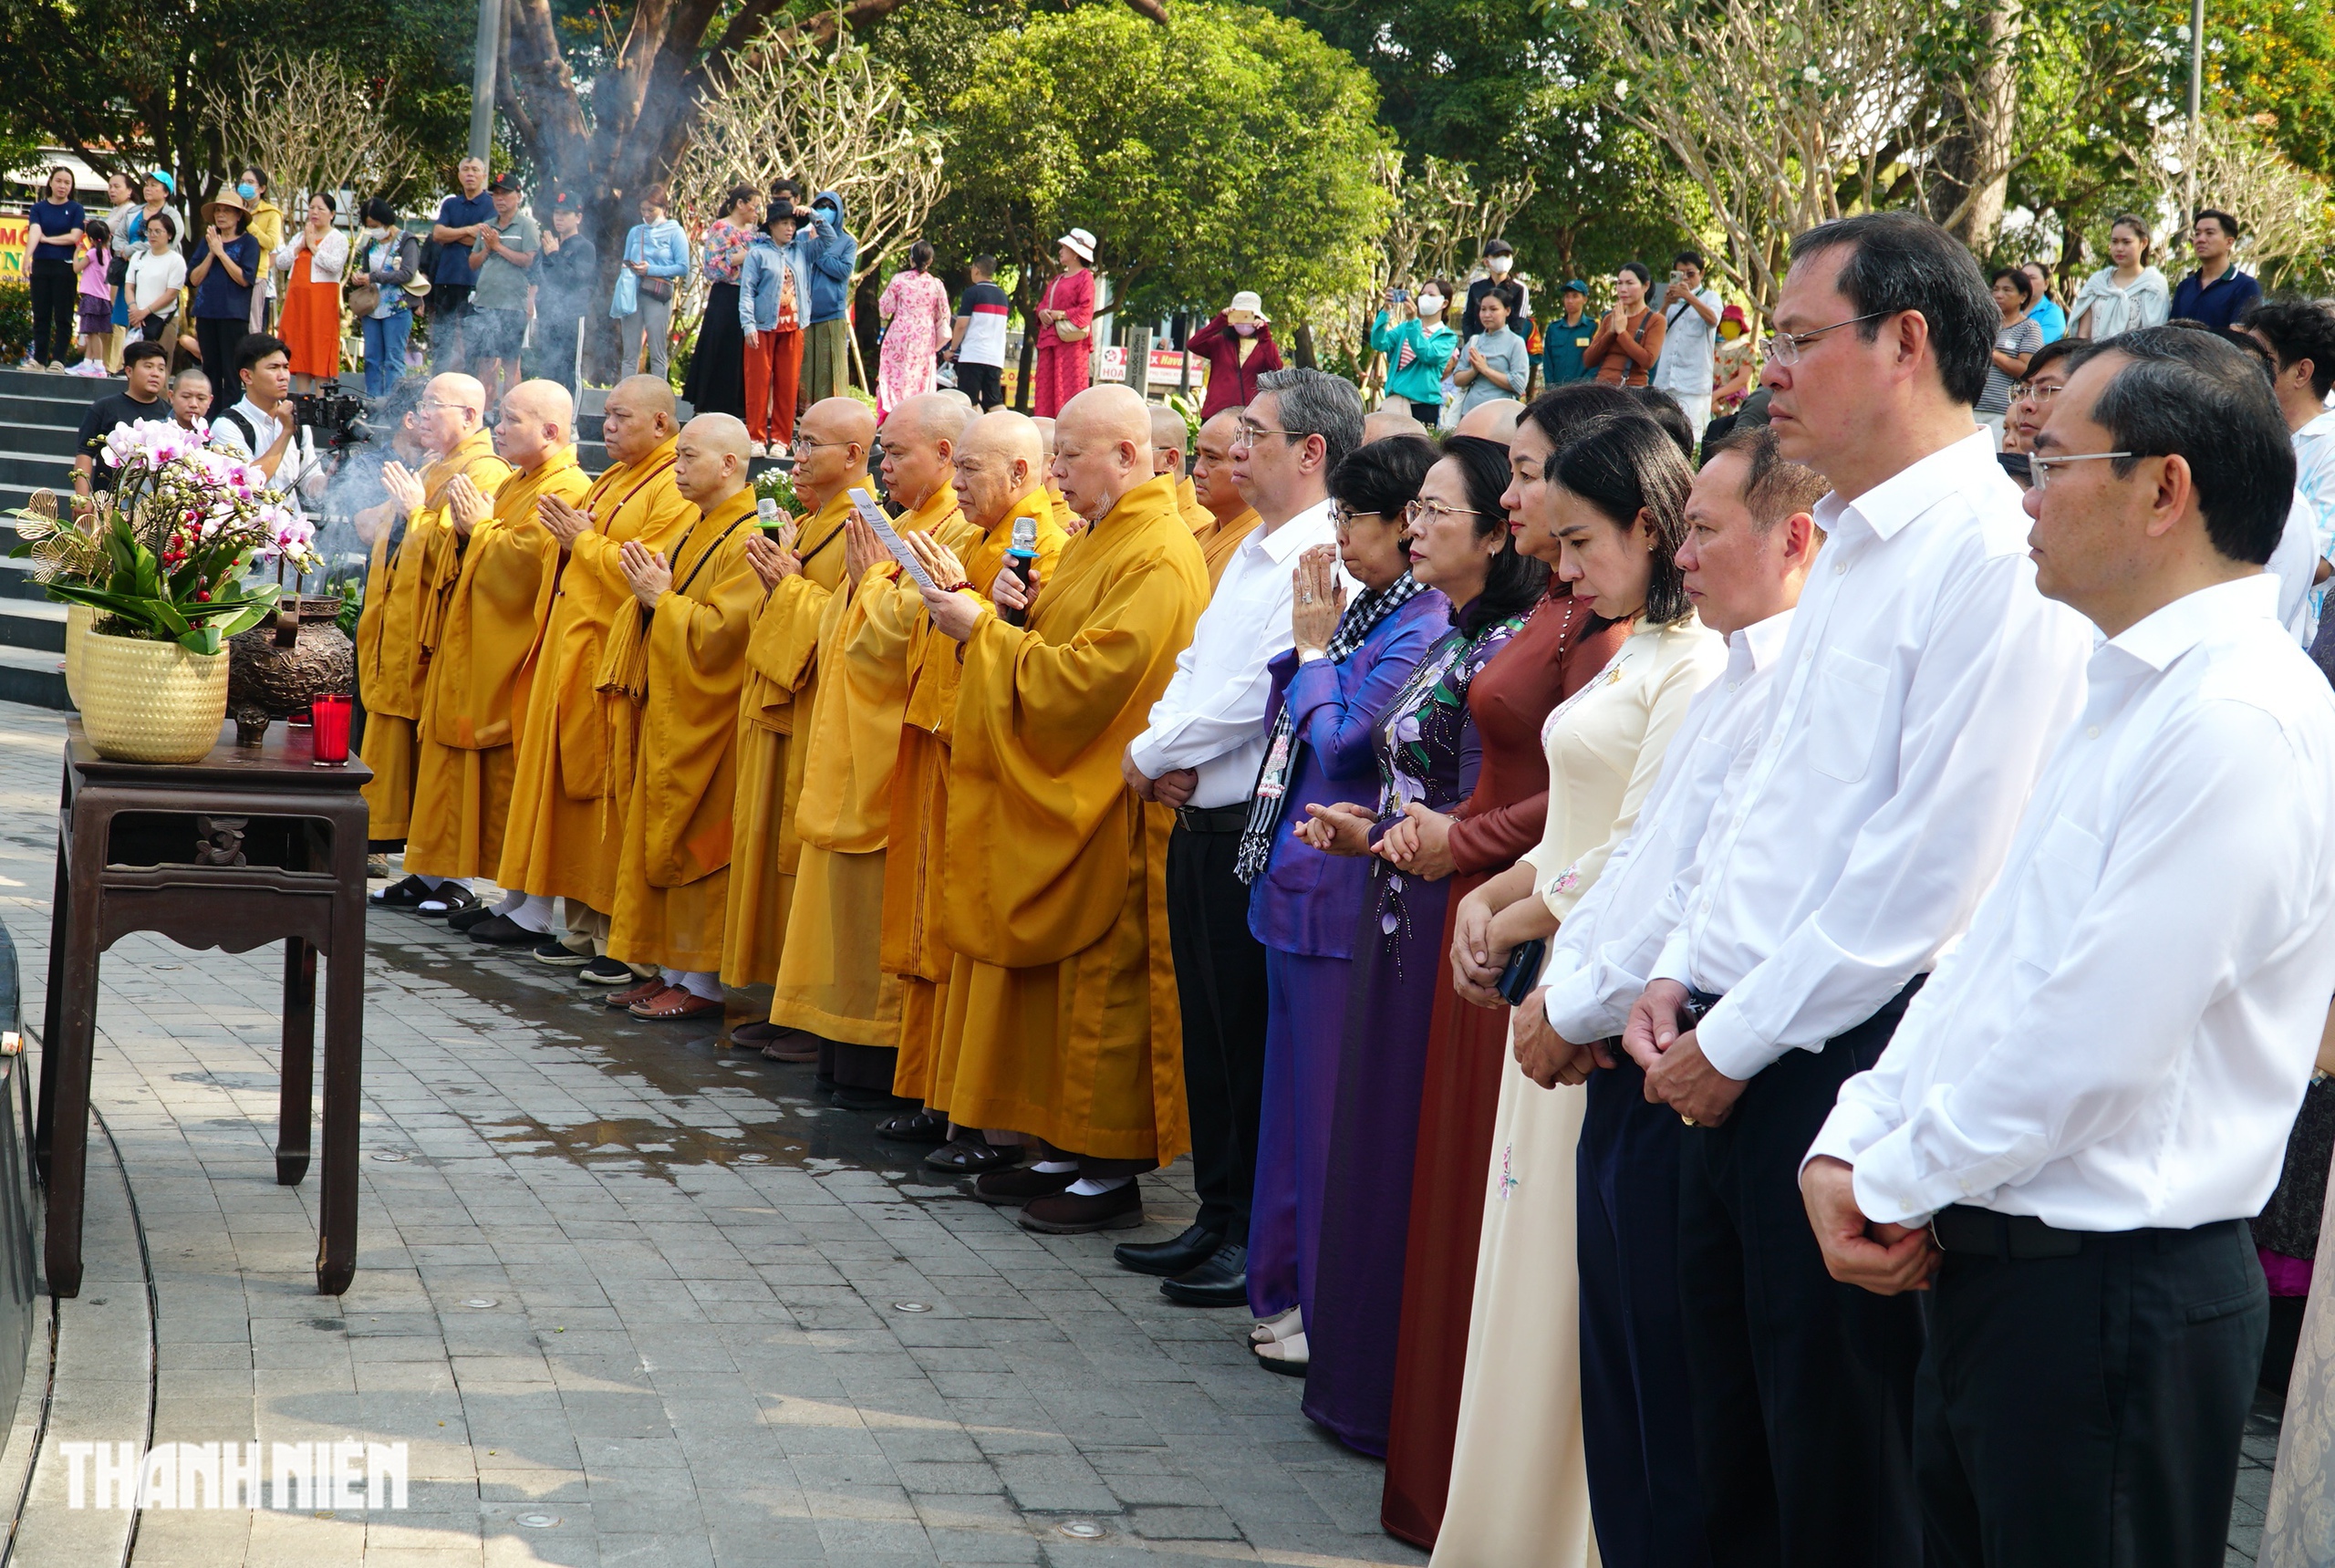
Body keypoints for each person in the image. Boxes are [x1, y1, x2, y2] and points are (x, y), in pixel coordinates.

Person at [1804, 323, 2327, 1568]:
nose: (2024, 496)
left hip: (2111, 1297)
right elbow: (1987, 961)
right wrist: (1856, 1136)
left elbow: (2093, 1043)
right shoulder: (2128, 687)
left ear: (2163, 488)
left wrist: (1890, 1177)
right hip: (2008, 1276)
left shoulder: (2237, 716)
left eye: (2049, 463)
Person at [1623, 211, 2092, 1568]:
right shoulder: (1849, 542)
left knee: (1837, 1479)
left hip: (1841, 1052)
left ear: (1905, 342)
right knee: (1732, 1465)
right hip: (1737, 1032)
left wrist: (1734, 1035)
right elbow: (1769, 803)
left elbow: (1928, 873)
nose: (1766, 367)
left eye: (1797, 337)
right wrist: (1682, 966)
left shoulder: (1988, 556)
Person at [1517, 424, 1826, 1568]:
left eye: (1701, 531)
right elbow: (1647, 863)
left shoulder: (1789, 683)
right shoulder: (1733, 677)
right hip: (1629, 1029)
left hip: (1689, 1057)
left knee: (1690, 1419)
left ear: (1794, 540)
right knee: (1630, 1395)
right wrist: (1566, 991)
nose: (1680, 557)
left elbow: (1709, 891)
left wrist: (1574, 1007)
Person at [1438, 408, 1726, 1566]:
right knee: (1524, 1253)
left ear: (1650, 528)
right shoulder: (1640, 647)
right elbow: (1573, 824)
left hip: (1596, 977)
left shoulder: (1694, 661)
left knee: (1569, 1278)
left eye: (1579, 544)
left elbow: (1639, 848)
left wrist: (1517, 909)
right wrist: (1493, 895)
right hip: (1559, 955)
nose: (1561, 571)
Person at [1302, 425, 1562, 1457]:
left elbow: (1502, 802)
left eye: (1434, 511)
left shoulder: (1515, 645)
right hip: (1398, 896)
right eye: (1410, 512)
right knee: (1376, 1137)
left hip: (1459, 904)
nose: (1413, 528)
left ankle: (1404, 1402)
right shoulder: (1455, 635)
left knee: (1419, 1149)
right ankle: (1364, 1382)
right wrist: (1371, 831)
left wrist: (1430, 837)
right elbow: (1410, 786)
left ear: (1497, 533)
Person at [905, 381, 1209, 1233]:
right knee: (1062, 991)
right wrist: (1015, 611)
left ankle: (1108, 1170)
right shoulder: (1099, 536)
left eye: (1069, 456)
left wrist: (982, 633)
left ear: (1128, 455)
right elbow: (1059, 639)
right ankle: (1060, 1148)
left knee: (1105, 996)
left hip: (1114, 801)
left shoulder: (1158, 551)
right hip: (1074, 794)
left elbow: (1093, 678)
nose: (1056, 473)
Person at [1113, 369, 1357, 1288]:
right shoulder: (1251, 546)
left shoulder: (1321, 556)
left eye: (1256, 433)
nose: (1237, 449)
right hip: (1196, 816)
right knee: (1209, 1034)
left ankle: (1252, 1232)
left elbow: (1259, 691)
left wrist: (1150, 754)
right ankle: (1215, 1212)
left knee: (1248, 1041)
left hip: (1251, 828)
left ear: (1311, 452)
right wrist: (1154, 748)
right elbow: (1192, 667)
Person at [1238, 433, 1449, 1373]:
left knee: (1327, 1125)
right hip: (1296, 881)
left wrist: (1315, 649)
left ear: (1406, 523)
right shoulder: (1367, 610)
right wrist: (1314, 653)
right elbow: (1293, 717)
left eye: (1352, 518)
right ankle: (1279, 1288)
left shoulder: (1423, 621)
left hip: (1343, 888)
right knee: (1285, 1116)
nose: (1341, 539)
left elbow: (1344, 742)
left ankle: (1323, 1312)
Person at [769, 395, 970, 1096]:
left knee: (872, 920)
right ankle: (835, 1043)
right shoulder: (900, 524)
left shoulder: (952, 527)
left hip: (891, 753)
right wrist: (843, 590)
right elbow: (845, 621)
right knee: (840, 917)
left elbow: (917, 627)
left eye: (897, 452)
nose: (884, 465)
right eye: (883, 451)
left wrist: (866, 585)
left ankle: (875, 1059)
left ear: (944, 455)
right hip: (852, 741)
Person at [882, 410, 1071, 1144]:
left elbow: (1028, 657)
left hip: (990, 766)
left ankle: (976, 1115)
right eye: (954, 467)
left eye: (969, 470)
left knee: (968, 932)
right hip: (946, 747)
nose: (955, 484)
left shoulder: (1042, 548)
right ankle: (936, 1090)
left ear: (1021, 473)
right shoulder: (976, 536)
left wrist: (973, 606)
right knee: (934, 930)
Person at [494, 377, 697, 981]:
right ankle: (583, 928)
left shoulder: (671, 485)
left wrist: (581, 540)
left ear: (660, 423)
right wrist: (570, 541)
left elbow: (644, 569)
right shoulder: (613, 476)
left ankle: (619, 937)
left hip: (615, 660)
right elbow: (577, 548)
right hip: (576, 650)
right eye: (605, 414)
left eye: (621, 416)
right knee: (576, 794)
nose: (607, 426)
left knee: (608, 794)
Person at [597, 414, 766, 1019]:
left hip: (714, 722)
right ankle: (668, 969)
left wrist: (659, 601)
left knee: (700, 844)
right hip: (675, 708)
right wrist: (653, 600)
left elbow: (723, 635)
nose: (677, 466)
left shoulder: (750, 537)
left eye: (689, 456)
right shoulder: (700, 525)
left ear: (729, 464)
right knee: (662, 837)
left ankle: (702, 984)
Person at [404, 382, 587, 938]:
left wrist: (479, 529)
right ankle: (512, 899)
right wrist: (468, 531)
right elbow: (478, 542)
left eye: (510, 420)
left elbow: (527, 564)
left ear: (550, 432)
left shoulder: (568, 486)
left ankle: (532, 909)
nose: (498, 429)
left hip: (521, 653)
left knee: (516, 778)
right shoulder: (516, 481)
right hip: (484, 644)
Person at [715, 396, 869, 1033]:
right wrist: (785, 585)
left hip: (817, 721)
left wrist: (790, 587)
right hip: (782, 706)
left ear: (854, 456)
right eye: (797, 441)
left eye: (809, 445)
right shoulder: (811, 522)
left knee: (799, 860)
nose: (795, 458)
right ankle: (783, 1002)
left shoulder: (862, 526)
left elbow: (856, 626)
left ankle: (806, 1011)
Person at [351, 373, 512, 875]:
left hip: (435, 635)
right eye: (421, 404)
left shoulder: (485, 471)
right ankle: (422, 874)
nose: (420, 415)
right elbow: (382, 526)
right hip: (400, 627)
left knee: (434, 760)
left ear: (470, 416)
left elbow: (462, 552)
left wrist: (415, 512)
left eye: (432, 405)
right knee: (400, 750)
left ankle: (444, 879)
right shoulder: (433, 464)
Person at [2241, 297, 2335, 649]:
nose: (2244, 368)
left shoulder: (2330, 446)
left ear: (2301, 372)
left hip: (2287, 638)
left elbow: (2320, 564)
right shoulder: (2251, 429)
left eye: (2260, 360)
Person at [738, 202, 814, 457]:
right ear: (772, 226)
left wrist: (813, 214)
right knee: (757, 384)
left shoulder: (802, 251)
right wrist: (748, 324)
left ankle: (782, 439)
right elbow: (747, 291)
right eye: (784, 223)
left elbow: (829, 240)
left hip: (793, 327)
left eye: (793, 224)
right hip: (762, 326)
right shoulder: (757, 254)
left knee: (788, 385)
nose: (790, 228)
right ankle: (756, 437)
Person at [684, 184, 761, 421]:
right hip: (726, 295)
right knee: (720, 347)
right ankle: (711, 402)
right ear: (740, 204)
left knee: (742, 350)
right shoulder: (721, 228)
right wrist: (745, 256)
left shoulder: (755, 233)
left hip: (750, 295)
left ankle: (739, 405)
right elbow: (713, 267)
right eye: (754, 206)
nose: (757, 212)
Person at [466, 174, 537, 410]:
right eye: (495, 194)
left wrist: (498, 246)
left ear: (518, 196)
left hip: (513, 304)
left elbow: (529, 260)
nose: (499, 199)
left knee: (510, 361)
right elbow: (473, 263)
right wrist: (488, 248)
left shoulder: (526, 225)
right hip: (485, 302)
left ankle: (511, 412)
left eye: (505, 193)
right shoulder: (487, 226)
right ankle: (485, 413)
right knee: (485, 361)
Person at [72, 340, 171, 501]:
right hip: (108, 503)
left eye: (161, 369)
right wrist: (82, 499)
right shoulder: (103, 408)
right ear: (129, 371)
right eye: (148, 366)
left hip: (153, 506)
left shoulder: (169, 415)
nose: (156, 374)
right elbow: (85, 454)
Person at [612, 187, 689, 380]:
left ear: (663, 208)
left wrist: (651, 269)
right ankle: (626, 392)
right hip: (633, 293)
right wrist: (630, 268)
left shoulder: (675, 232)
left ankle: (659, 393)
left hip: (657, 293)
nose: (646, 214)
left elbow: (683, 267)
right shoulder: (635, 232)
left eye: (651, 210)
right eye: (643, 210)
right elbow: (625, 260)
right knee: (629, 353)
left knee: (657, 351)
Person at [426, 159, 495, 372]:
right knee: (442, 339)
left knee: (472, 341)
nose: (470, 174)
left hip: (475, 282)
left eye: (475, 170)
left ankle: (469, 386)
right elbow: (437, 235)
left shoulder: (491, 204)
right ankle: (437, 381)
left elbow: (483, 240)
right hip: (446, 278)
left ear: (484, 176)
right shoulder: (450, 204)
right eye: (465, 169)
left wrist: (452, 235)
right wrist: (467, 231)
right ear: (459, 175)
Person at [188, 191, 260, 395]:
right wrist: (212, 252)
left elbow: (245, 279)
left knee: (231, 370)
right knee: (209, 369)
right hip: (206, 312)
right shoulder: (208, 241)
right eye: (218, 210)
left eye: (226, 211)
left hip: (233, 315)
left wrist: (221, 253)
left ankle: (231, 411)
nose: (220, 215)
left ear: (238, 215)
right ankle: (209, 411)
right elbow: (193, 279)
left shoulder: (249, 243)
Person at [275, 192, 348, 393]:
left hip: (321, 301)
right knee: (299, 347)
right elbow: (281, 263)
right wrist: (300, 246)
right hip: (298, 301)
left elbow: (335, 266)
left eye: (320, 209)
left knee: (320, 347)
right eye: (311, 208)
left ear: (332, 214)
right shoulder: (300, 236)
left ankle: (320, 401)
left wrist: (313, 247)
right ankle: (302, 400)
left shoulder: (338, 238)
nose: (314, 212)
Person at [1188, 408, 1263, 589]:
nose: (1197, 470)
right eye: (1198, 455)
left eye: (1212, 458)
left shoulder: (1258, 546)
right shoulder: (1198, 536)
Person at [352, 198, 420, 399]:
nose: (373, 230)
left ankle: (393, 404)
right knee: (371, 359)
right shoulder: (371, 244)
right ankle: (372, 401)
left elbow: (407, 273)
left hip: (397, 308)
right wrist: (360, 276)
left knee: (393, 359)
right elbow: (367, 270)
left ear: (386, 220)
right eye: (369, 226)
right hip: (372, 308)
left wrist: (374, 277)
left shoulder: (407, 241)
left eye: (376, 225)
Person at [876, 242, 951, 419]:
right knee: (920, 376)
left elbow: (885, 308)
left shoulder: (899, 280)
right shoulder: (936, 285)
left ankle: (893, 414)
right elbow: (945, 314)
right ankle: (918, 416)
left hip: (899, 333)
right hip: (924, 336)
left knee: (895, 374)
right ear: (930, 261)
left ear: (911, 259)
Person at [532, 192, 596, 395]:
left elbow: (573, 280)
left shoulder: (584, 247)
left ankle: (572, 415)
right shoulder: (549, 244)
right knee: (547, 372)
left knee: (569, 373)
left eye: (565, 213)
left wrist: (555, 255)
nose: (559, 218)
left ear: (578, 217)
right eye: (556, 213)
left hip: (571, 318)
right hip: (547, 317)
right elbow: (536, 277)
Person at [1653, 250, 1725, 432]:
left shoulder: (1710, 297)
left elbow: (1713, 320)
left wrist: (1688, 296)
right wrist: (1666, 304)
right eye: (1679, 274)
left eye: (1690, 274)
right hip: (1665, 380)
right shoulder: (1669, 299)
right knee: (1662, 433)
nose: (1685, 278)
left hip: (1693, 383)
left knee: (1693, 433)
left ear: (1702, 274)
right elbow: (1656, 329)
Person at [800, 191, 860, 406]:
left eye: (831, 207)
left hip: (831, 314)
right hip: (803, 315)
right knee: (803, 372)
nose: (826, 210)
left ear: (840, 212)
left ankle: (833, 416)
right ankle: (802, 416)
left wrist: (819, 249)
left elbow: (843, 271)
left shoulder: (847, 242)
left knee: (830, 372)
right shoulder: (800, 237)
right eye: (821, 206)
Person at [2070, 213, 2169, 342]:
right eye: (2115, 241)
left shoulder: (2153, 284)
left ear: (2143, 243)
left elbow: (2154, 336)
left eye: (2126, 242)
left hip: (2136, 354)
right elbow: (2083, 335)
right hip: (2094, 353)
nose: (2119, 248)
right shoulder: (2098, 282)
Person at [1188, 291, 1286, 420]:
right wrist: (1220, 321)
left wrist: (1264, 335)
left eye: (1249, 316)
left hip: (1248, 415)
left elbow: (1276, 368)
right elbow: (1193, 344)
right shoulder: (1219, 343)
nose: (1244, 321)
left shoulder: (1266, 347)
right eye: (1239, 316)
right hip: (1216, 414)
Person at [25, 167, 86, 371]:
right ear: (50, 182)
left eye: (67, 183)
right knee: (40, 314)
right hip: (41, 264)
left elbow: (74, 236)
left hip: (64, 266)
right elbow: (35, 231)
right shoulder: (38, 208)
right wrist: (27, 257)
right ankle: (39, 360)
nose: (62, 186)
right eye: (58, 181)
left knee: (63, 315)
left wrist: (47, 240)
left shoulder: (76, 209)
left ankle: (59, 360)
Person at [1372, 282, 1458, 425]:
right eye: (1422, 294)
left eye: (1431, 295)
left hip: (1423, 406)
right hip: (1396, 402)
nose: (1425, 298)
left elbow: (1427, 354)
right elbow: (1379, 343)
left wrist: (1413, 321)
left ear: (1444, 303)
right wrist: (1385, 311)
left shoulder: (1447, 337)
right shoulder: (1405, 328)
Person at [1033, 230, 1097, 418]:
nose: (1060, 251)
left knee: (1069, 391)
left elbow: (1086, 310)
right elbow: (1043, 304)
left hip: (1072, 345)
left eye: (1064, 248)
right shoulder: (1057, 279)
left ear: (1076, 253)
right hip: (1050, 342)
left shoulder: (1086, 277)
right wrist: (1042, 313)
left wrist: (1059, 315)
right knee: (1045, 391)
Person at [1978, 266, 2043, 446]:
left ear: (2023, 296)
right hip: (1971, 407)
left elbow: (2027, 370)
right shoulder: (1982, 324)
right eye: (1996, 289)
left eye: (2007, 290)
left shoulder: (2029, 328)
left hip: (2001, 412)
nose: (1999, 295)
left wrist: (1991, 353)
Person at [2171, 208, 2263, 331]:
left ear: (2229, 242)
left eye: (2209, 233)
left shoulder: (2246, 286)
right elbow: (2171, 332)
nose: (2200, 239)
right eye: (2197, 234)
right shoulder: (2185, 286)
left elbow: (2240, 336)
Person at [942, 255, 1012, 411]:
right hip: (995, 357)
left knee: (968, 400)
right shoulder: (1002, 296)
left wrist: (952, 349)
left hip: (973, 355)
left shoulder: (972, 293)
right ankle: (1009, 424)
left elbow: (961, 325)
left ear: (977, 269)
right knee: (994, 401)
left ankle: (972, 428)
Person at [1585, 264, 1666, 388]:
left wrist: (1622, 333)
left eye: (1629, 283)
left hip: (1632, 389)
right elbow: (1588, 360)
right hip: (1603, 387)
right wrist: (1611, 333)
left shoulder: (1656, 320)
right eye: (1619, 283)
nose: (1623, 289)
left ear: (1646, 286)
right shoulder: (1610, 318)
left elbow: (1648, 361)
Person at [1454, 285, 1529, 417]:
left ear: (1507, 311)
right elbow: (1457, 379)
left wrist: (1485, 370)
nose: (1487, 315)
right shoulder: (1474, 341)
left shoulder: (1515, 342)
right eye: (1483, 309)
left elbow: (1519, 384)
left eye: (1493, 309)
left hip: (1500, 416)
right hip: (1470, 413)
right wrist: (1474, 371)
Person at [123, 214, 186, 359]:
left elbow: (171, 293)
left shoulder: (176, 260)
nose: (153, 235)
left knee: (159, 363)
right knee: (135, 363)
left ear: (169, 235)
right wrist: (134, 310)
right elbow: (129, 287)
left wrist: (145, 312)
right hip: (137, 320)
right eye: (149, 231)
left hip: (162, 320)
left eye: (158, 231)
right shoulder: (138, 256)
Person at [237, 166, 285, 331]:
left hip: (256, 275)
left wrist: (249, 223)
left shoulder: (272, 213)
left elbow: (271, 243)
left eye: (250, 182)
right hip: (231, 272)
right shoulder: (234, 209)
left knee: (253, 327)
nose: (244, 185)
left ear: (262, 188)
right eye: (242, 182)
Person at [70, 218, 116, 377]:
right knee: (91, 332)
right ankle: (87, 363)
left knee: (93, 334)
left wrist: (76, 252)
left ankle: (98, 366)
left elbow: (76, 268)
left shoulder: (92, 253)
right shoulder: (107, 253)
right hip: (102, 299)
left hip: (92, 298)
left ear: (90, 239)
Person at [1462, 239, 1531, 342]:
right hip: (1478, 345)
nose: (1502, 259)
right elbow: (1467, 320)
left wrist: (1506, 347)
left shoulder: (1519, 288)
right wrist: (1472, 343)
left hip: (1507, 347)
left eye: (1506, 255)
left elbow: (1519, 324)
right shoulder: (1475, 287)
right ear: (1486, 262)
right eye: (1497, 255)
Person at [1541, 279, 1594, 389]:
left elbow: (1596, 363)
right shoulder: (1554, 329)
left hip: (1583, 391)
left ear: (1585, 299)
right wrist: (1551, 389)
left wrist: (1584, 388)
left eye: (1575, 296)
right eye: (1567, 296)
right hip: (1556, 392)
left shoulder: (1593, 327)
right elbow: (1547, 364)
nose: (1570, 301)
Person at [2020, 261, 2067, 343]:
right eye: (2023, 278)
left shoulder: (2053, 312)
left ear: (2046, 284)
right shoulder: (2010, 308)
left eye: (2032, 278)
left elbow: (2036, 344)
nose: (2026, 282)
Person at [165, 365, 212, 431]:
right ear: (172, 397)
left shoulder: (215, 433)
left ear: (210, 401)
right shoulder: (156, 431)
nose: (193, 404)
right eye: (186, 397)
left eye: (201, 398)